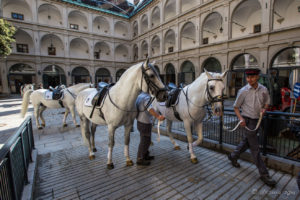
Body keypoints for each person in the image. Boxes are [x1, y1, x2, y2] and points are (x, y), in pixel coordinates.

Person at [227, 68, 276, 187]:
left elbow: (267, 102)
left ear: (257, 77)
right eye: (248, 77)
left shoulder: (264, 89)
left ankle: (233, 156)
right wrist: (241, 119)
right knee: (255, 148)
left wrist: (265, 108)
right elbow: (236, 107)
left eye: (252, 77)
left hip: (257, 120)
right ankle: (264, 174)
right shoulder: (243, 91)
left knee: (247, 142)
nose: (250, 79)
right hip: (247, 121)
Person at [136, 92, 165, 166]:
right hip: (144, 122)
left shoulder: (140, 95)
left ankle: (145, 155)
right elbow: (150, 108)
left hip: (140, 121)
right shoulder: (147, 97)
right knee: (144, 140)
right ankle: (140, 159)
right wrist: (158, 116)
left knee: (147, 140)